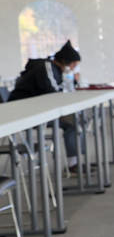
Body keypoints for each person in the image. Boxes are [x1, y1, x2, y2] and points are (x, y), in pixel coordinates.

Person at [9, 40, 84, 169]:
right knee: (73, 122)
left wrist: (73, 82)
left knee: (76, 120)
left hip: (39, 111)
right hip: (24, 113)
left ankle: (75, 163)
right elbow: (53, 91)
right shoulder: (46, 67)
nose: (73, 69)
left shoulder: (56, 70)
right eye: (73, 65)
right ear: (65, 61)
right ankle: (74, 164)